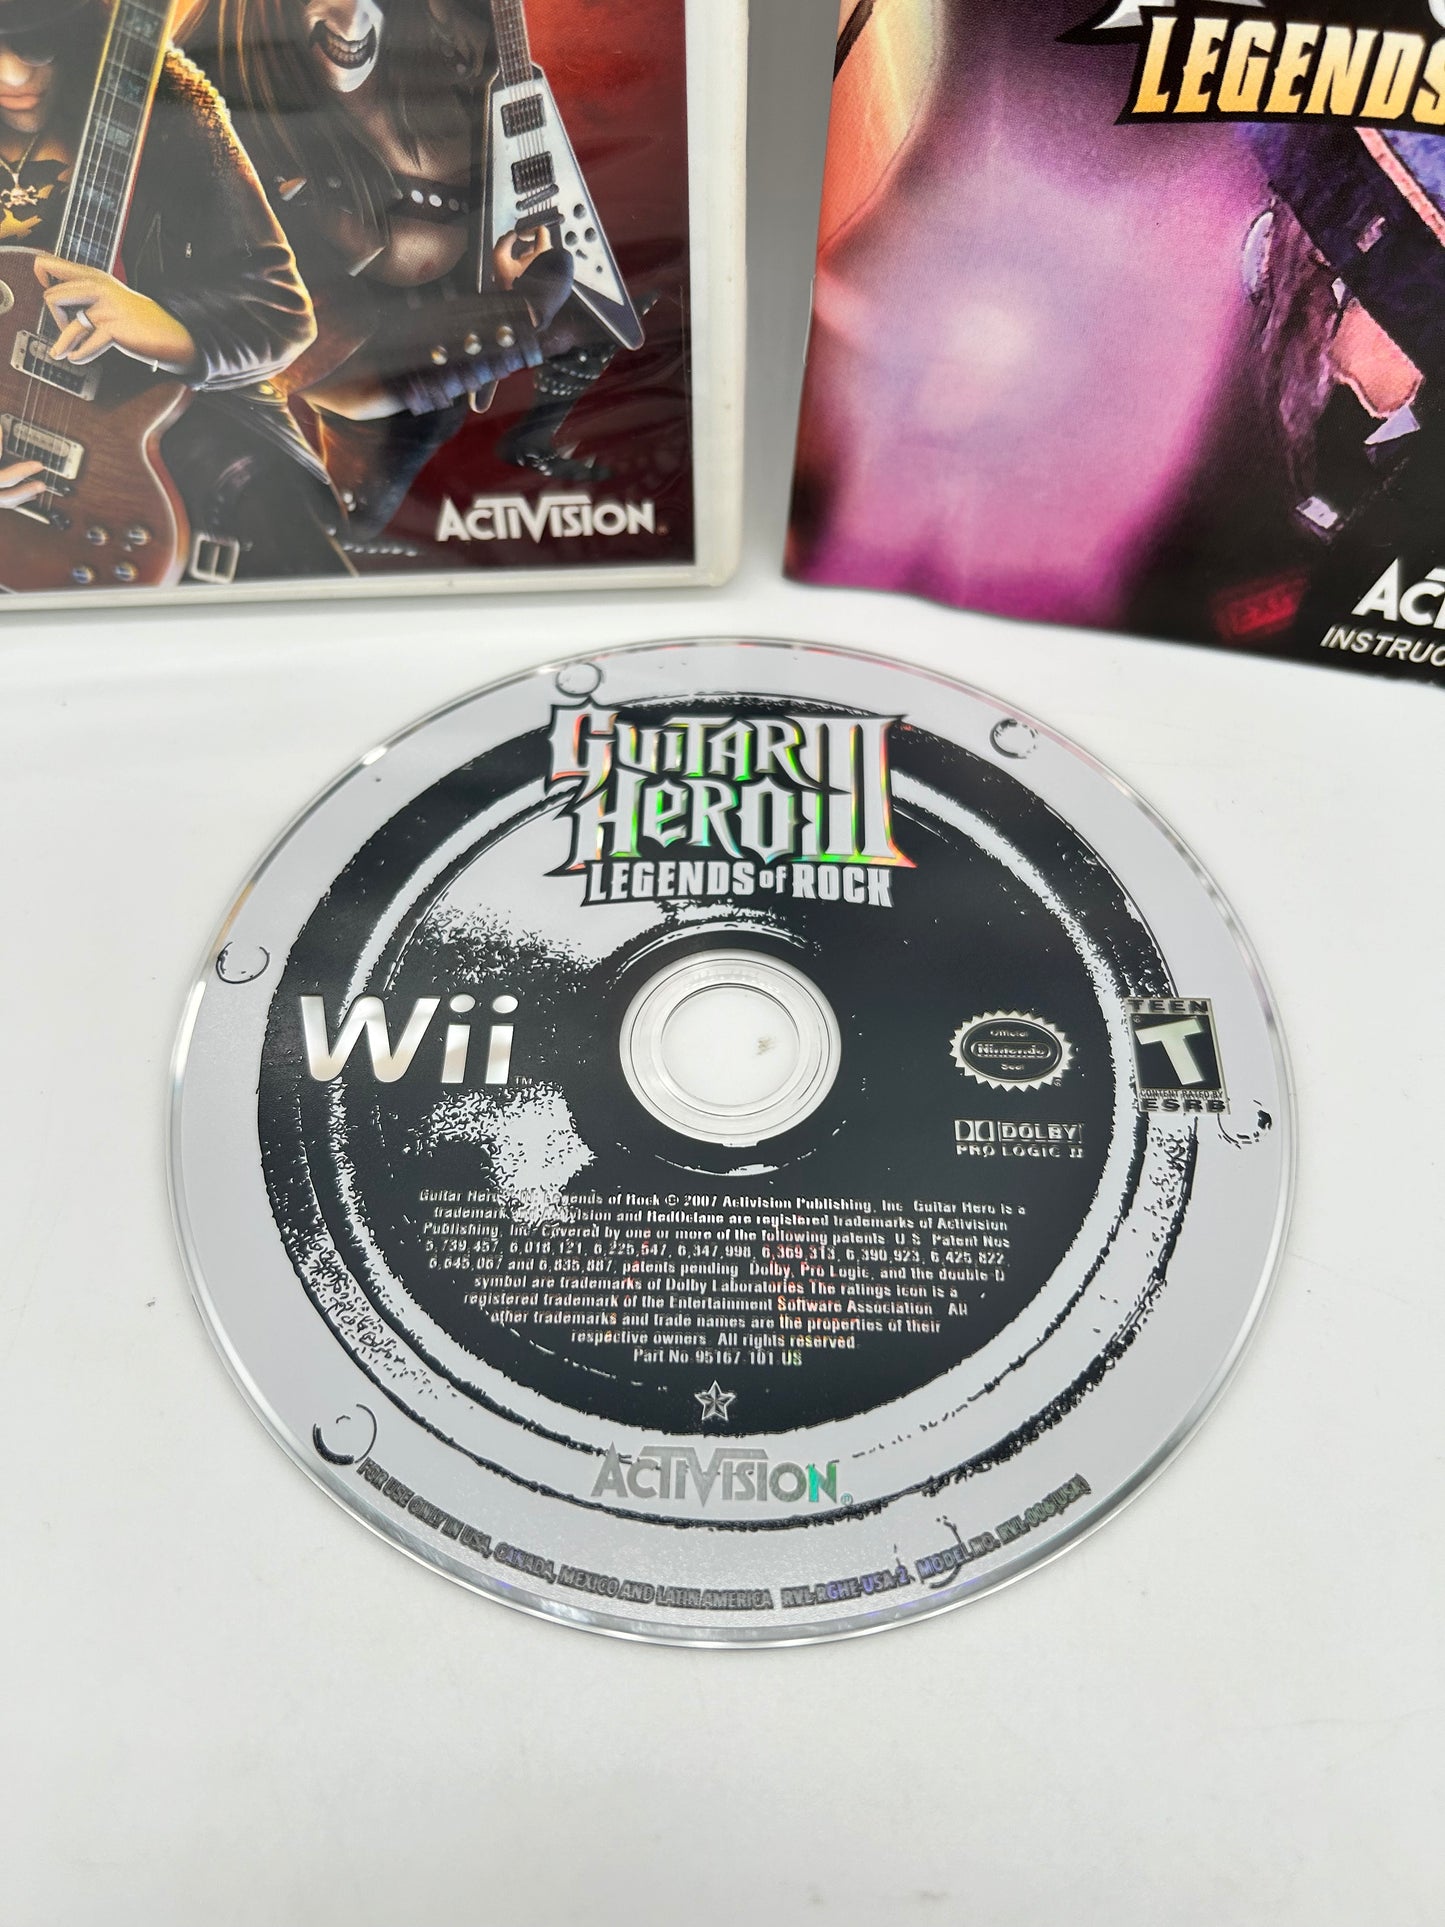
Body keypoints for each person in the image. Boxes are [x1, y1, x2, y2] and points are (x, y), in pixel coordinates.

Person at [188, 0, 635, 541]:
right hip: (359, 405)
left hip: (445, 374)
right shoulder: (219, 109)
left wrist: (495, 276)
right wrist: (515, 316)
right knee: (347, 519)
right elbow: (299, 356)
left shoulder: (450, 46)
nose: (354, 21)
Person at [0, 0, 351, 582]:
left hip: (177, 452)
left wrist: (164, 325)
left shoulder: (162, 91)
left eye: (39, 47)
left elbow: (280, 309)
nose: (13, 76)